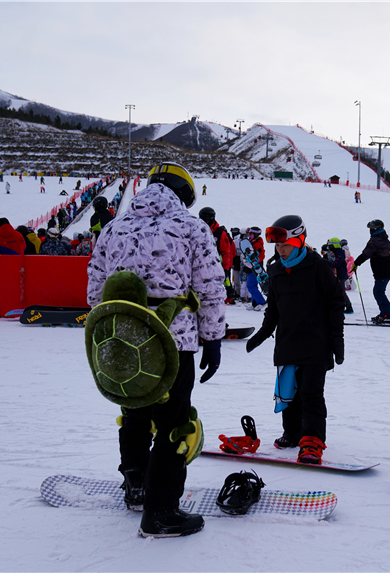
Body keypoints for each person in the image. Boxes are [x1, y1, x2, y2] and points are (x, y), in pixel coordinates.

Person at [87, 161, 226, 538]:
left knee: (134, 414)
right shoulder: (191, 227)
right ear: (184, 195)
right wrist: (212, 338)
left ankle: (136, 489)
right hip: (172, 342)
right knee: (173, 424)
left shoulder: (114, 227)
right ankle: (161, 512)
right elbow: (211, 287)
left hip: (123, 341)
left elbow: (93, 288)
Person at [245, 215, 344, 464]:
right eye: (277, 246)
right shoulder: (275, 269)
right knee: (288, 394)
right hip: (287, 342)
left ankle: (311, 442)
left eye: (285, 245)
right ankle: (292, 433)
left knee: (311, 394)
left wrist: (337, 340)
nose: (281, 250)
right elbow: (274, 309)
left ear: (299, 241)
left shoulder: (317, 266)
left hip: (315, 342)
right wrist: (262, 334)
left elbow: (335, 303)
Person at [352, 219, 390, 325]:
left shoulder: (375, 240)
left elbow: (366, 254)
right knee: (378, 292)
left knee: (379, 293)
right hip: (385, 270)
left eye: (371, 229)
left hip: (382, 271)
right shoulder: (385, 240)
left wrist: (356, 263)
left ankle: (389, 315)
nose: (370, 231)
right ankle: (384, 314)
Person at [241, 227, 267, 310]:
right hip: (251, 267)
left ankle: (261, 301)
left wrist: (255, 261)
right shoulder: (251, 242)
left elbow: (262, 255)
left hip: (255, 268)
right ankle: (255, 303)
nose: (249, 236)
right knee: (253, 285)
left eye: (251, 234)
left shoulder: (257, 244)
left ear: (255, 234)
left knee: (250, 286)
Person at [325, 238, 352, 314]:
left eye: (330, 245)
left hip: (340, 275)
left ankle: (348, 306)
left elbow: (337, 263)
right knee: (335, 290)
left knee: (341, 291)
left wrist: (328, 264)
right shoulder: (334, 252)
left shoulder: (339, 253)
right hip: (337, 275)